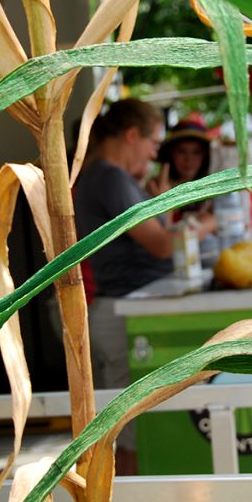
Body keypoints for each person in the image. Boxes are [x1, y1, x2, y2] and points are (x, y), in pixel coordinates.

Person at [73, 99, 216, 470]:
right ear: (131, 135)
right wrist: (206, 227)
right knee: (128, 426)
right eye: (153, 143)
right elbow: (162, 243)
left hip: (119, 307)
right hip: (124, 312)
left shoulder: (107, 177)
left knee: (124, 422)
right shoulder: (110, 177)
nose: (155, 154)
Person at [146, 113, 212, 218]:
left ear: (205, 156)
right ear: (171, 154)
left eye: (196, 152)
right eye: (181, 151)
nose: (188, 159)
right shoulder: (154, 187)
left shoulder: (215, 187)